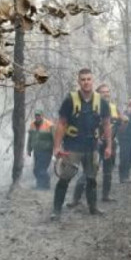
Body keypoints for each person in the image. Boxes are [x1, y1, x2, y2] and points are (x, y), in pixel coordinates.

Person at [51, 68, 112, 220]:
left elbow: (106, 124)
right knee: (65, 177)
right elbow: (61, 124)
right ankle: (56, 211)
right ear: (79, 81)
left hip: (92, 146)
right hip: (72, 146)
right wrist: (57, 147)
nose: (86, 82)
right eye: (83, 79)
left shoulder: (102, 102)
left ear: (93, 81)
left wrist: (109, 146)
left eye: (88, 79)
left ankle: (93, 208)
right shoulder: (70, 100)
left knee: (91, 178)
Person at [67, 84, 122, 206]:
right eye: (103, 92)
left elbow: (117, 124)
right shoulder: (92, 107)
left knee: (108, 171)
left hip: (110, 143)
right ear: (97, 94)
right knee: (89, 172)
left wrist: (122, 122)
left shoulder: (113, 107)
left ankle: (106, 196)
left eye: (107, 92)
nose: (106, 94)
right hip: (95, 143)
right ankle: (76, 199)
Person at [27, 109, 54, 189]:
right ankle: (41, 185)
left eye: (39, 115)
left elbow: (55, 138)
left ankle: (43, 185)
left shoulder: (49, 125)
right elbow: (30, 138)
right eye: (36, 115)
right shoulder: (32, 125)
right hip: (36, 151)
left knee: (40, 169)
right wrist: (29, 149)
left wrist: (56, 150)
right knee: (36, 170)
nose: (37, 117)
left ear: (42, 116)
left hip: (46, 151)